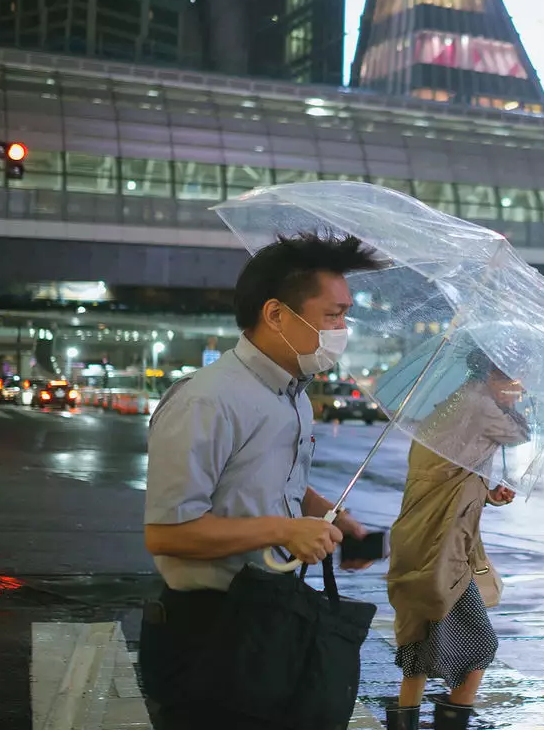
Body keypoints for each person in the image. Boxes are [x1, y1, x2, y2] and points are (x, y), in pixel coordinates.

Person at [139, 232, 385, 729]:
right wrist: (283, 530)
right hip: (206, 631)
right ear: (276, 314)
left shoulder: (293, 395)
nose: (341, 330)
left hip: (268, 620)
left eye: (345, 317)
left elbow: (272, 482)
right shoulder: (207, 400)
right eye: (332, 315)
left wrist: (328, 517)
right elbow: (167, 533)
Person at [385, 348, 530, 730]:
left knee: (418, 645)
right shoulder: (478, 406)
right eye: (516, 380)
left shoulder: (459, 403)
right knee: (481, 644)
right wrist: (514, 406)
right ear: (492, 375)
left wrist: (488, 494)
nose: (521, 389)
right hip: (439, 548)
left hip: (421, 540)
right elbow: (519, 433)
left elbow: (449, 473)